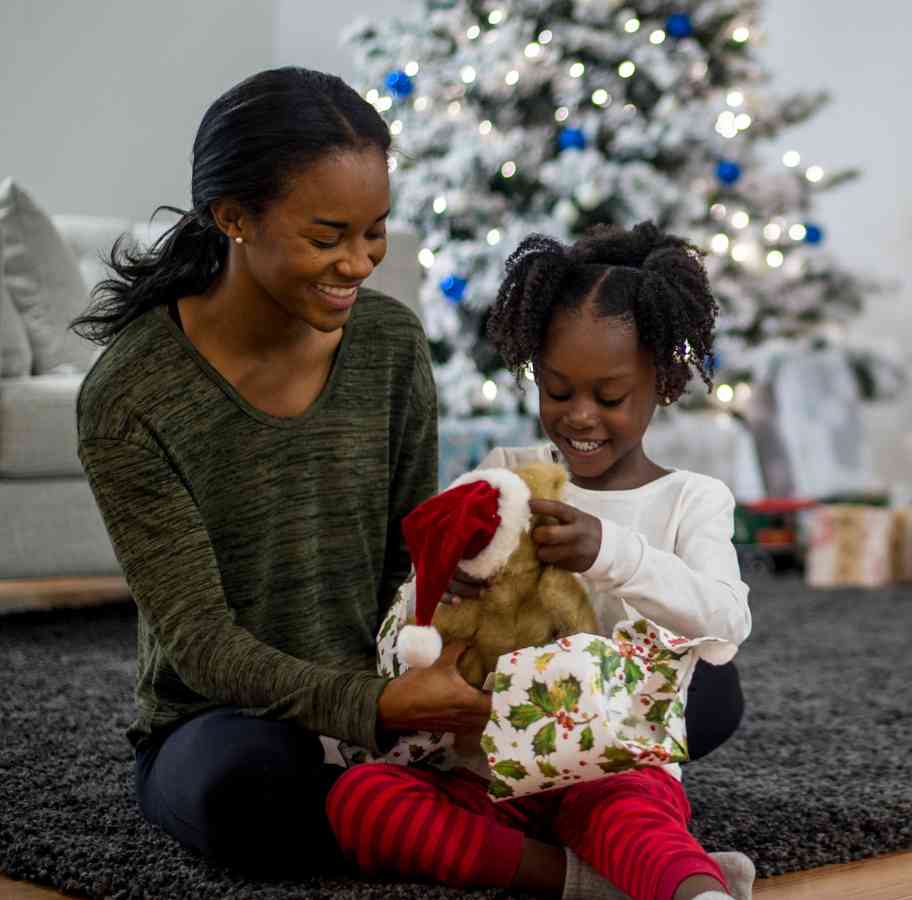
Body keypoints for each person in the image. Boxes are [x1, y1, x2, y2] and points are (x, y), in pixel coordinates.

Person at [73, 67, 488, 873]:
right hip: (232, 718)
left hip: (391, 692)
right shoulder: (131, 394)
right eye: (328, 237)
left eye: (376, 231)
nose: (361, 262)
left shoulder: (391, 346)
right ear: (233, 217)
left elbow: (415, 554)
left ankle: (406, 804)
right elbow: (199, 642)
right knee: (246, 789)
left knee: (697, 696)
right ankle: (450, 806)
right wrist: (373, 708)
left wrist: (454, 655)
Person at [324, 222, 755, 900]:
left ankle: (690, 889)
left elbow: (727, 629)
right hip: (485, 769)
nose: (581, 416)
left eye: (610, 397)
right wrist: (448, 584)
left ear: (663, 381)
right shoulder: (506, 474)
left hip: (615, 767)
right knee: (362, 800)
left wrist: (610, 551)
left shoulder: (689, 499)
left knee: (630, 817)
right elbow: (412, 613)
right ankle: (590, 882)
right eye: (557, 392)